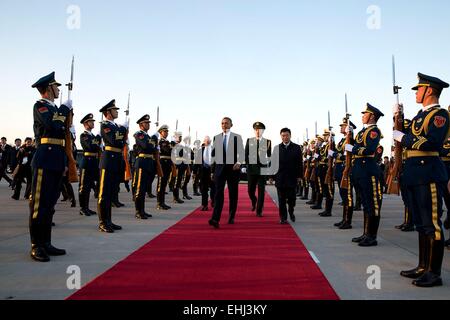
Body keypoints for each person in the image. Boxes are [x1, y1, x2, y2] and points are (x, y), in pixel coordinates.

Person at [393, 73, 449, 287]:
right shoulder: (419, 116)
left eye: (419, 89)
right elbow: (407, 132)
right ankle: (422, 266)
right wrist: (398, 118)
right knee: (420, 223)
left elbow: (432, 142)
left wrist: (403, 137)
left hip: (429, 174)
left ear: (430, 91)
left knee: (432, 224)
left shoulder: (439, 114)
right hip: (414, 175)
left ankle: (434, 273)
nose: (416, 92)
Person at [29, 71, 72, 262]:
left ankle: (46, 242)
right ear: (48, 89)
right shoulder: (40, 106)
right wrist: (63, 109)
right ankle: (36, 245)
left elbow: (63, 135)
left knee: (50, 205)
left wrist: (65, 162)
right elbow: (53, 125)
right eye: (56, 86)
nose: (58, 89)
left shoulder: (55, 109)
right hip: (44, 158)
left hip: (56, 158)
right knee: (39, 205)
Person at [346, 103, 384, 247]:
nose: (363, 116)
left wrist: (353, 148)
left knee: (372, 205)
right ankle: (366, 233)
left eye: (365, 114)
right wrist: (351, 137)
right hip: (359, 170)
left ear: (372, 116)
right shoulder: (363, 132)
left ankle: (372, 236)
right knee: (366, 204)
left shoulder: (374, 131)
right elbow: (358, 145)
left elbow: (369, 149)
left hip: (368, 170)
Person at [208, 117, 244, 228]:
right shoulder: (217, 137)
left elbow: (242, 153)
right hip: (220, 170)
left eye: (226, 123)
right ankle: (215, 219)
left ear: (231, 125)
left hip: (233, 170)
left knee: (233, 194)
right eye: (222, 123)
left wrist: (239, 162)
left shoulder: (237, 137)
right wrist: (212, 171)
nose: (224, 125)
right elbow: (214, 156)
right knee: (218, 194)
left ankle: (231, 215)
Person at [97, 99, 126, 233]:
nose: (116, 111)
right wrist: (122, 131)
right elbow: (114, 140)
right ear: (108, 112)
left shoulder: (116, 127)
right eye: (114, 110)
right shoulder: (105, 125)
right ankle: (103, 222)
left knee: (111, 193)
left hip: (116, 160)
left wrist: (121, 132)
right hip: (108, 160)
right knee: (103, 193)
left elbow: (121, 143)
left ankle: (108, 220)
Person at [132, 114, 162, 219]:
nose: (148, 125)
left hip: (148, 163)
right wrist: (153, 142)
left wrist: (152, 144)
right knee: (139, 189)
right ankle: (138, 211)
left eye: (148, 123)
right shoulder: (139, 134)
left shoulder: (148, 137)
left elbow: (153, 149)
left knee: (144, 189)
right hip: (142, 162)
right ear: (141, 125)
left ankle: (142, 210)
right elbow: (146, 146)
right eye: (146, 123)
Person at [273, 128, 303, 224]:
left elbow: (299, 163)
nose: (285, 137)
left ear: (290, 136)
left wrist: (299, 176)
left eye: (287, 135)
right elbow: (273, 163)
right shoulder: (276, 148)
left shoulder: (296, 147)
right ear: (281, 136)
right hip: (280, 177)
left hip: (292, 177)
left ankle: (291, 211)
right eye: (283, 135)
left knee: (292, 199)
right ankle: (283, 217)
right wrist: (270, 177)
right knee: (281, 200)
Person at [244, 122, 272, 217]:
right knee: (250, 191)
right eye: (256, 129)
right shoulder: (249, 140)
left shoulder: (268, 142)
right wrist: (246, 165)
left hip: (262, 170)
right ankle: (254, 200)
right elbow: (246, 154)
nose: (257, 131)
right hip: (251, 170)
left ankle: (259, 210)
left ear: (263, 131)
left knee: (261, 191)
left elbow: (269, 157)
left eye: (260, 129)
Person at [333, 118, 357, 229]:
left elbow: (349, 154)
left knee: (348, 196)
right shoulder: (342, 140)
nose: (341, 127)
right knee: (344, 196)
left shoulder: (350, 139)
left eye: (343, 126)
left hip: (346, 168)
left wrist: (336, 155)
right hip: (339, 168)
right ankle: (344, 219)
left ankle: (348, 221)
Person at [78, 113, 101, 216]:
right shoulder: (84, 135)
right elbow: (91, 147)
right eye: (91, 122)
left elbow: (97, 147)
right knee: (84, 187)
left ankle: (87, 207)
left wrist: (96, 141)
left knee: (90, 186)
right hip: (86, 162)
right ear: (85, 124)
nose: (93, 123)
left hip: (93, 162)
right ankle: (83, 208)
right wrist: (97, 140)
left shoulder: (92, 136)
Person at [156, 125, 173, 210]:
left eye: (167, 131)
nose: (166, 133)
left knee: (164, 184)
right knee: (161, 184)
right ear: (160, 132)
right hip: (162, 163)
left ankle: (162, 202)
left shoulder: (168, 142)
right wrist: (172, 147)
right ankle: (159, 203)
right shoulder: (161, 142)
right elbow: (167, 150)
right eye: (164, 131)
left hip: (168, 163)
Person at [198, 136, 215, 211]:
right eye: (205, 140)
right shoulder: (200, 150)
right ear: (204, 141)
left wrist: (214, 171)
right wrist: (195, 172)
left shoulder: (214, 149)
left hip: (212, 171)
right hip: (203, 171)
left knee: (213, 188)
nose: (207, 142)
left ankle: (213, 200)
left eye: (208, 140)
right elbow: (197, 162)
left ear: (210, 141)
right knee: (204, 189)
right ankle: (204, 205)